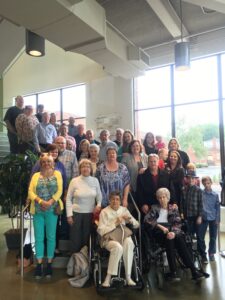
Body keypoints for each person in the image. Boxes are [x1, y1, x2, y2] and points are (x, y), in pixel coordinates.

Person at [144, 188, 205, 281]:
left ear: (168, 198)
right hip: (159, 233)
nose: (162, 199)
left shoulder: (173, 208)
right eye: (159, 197)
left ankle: (189, 271)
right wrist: (160, 227)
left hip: (172, 232)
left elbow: (177, 223)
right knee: (172, 239)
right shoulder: (154, 208)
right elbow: (147, 220)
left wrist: (172, 232)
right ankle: (183, 271)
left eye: (164, 197)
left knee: (178, 237)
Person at [28, 153, 63, 279]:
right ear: (41, 164)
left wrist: (49, 202)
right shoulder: (36, 175)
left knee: (51, 237)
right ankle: (38, 264)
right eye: (44, 162)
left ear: (53, 163)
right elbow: (30, 192)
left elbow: (59, 190)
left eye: (49, 161)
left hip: (52, 210)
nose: (46, 164)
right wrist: (41, 201)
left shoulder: (57, 174)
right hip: (38, 210)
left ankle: (48, 264)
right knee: (38, 237)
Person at [97, 191, 139, 287]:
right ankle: (108, 278)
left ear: (120, 201)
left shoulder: (124, 210)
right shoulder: (104, 212)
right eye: (113, 199)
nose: (115, 202)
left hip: (122, 236)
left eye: (117, 199)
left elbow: (137, 225)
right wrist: (115, 223)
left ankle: (128, 277)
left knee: (129, 243)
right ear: (109, 201)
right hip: (108, 238)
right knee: (118, 247)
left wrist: (130, 220)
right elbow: (101, 230)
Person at [66, 159, 102, 253]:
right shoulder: (74, 181)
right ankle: (75, 263)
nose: (85, 168)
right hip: (76, 214)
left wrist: (98, 205)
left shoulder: (95, 180)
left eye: (87, 166)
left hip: (90, 214)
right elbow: (68, 199)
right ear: (80, 169)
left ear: (91, 169)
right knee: (75, 239)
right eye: (83, 166)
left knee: (87, 240)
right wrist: (69, 215)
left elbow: (99, 196)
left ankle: (86, 263)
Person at [198, 176, 220, 263]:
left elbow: (217, 208)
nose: (207, 185)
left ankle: (211, 253)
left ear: (211, 183)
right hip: (203, 218)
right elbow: (199, 205)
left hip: (213, 218)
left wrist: (217, 219)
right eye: (205, 184)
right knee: (200, 236)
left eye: (208, 183)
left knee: (213, 237)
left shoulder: (215, 195)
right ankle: (203, 254)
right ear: (202, 184)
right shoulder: (201, 194)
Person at [181, 170, 203, 252]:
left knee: (199, 236)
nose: (191, 180)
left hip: (196, 216)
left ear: (196, 180)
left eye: (193, 178)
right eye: (189, 178)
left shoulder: (199, 190)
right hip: (187, 216)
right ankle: (190, 253)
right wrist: (182, 214)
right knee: (188, 236)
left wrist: (200, 216)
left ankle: (202, 255)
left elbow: (201, 204)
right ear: (186, 179)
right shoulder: (183, 189)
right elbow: (182, 203)